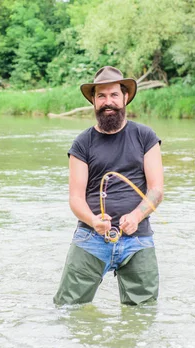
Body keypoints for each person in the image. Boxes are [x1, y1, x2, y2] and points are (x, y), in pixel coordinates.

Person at [53, 66, 164, 306]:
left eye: (114, 95)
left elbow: (156, 190)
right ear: (93, 101)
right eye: (101, 96)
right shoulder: (82, 143)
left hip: (138, 239)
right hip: (90, 237)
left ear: (125, 98)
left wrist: (135, 216)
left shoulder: (145, 137)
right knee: (68, 309)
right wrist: (94, 221)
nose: (108, 102)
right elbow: (75, 198)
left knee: (142, 315)